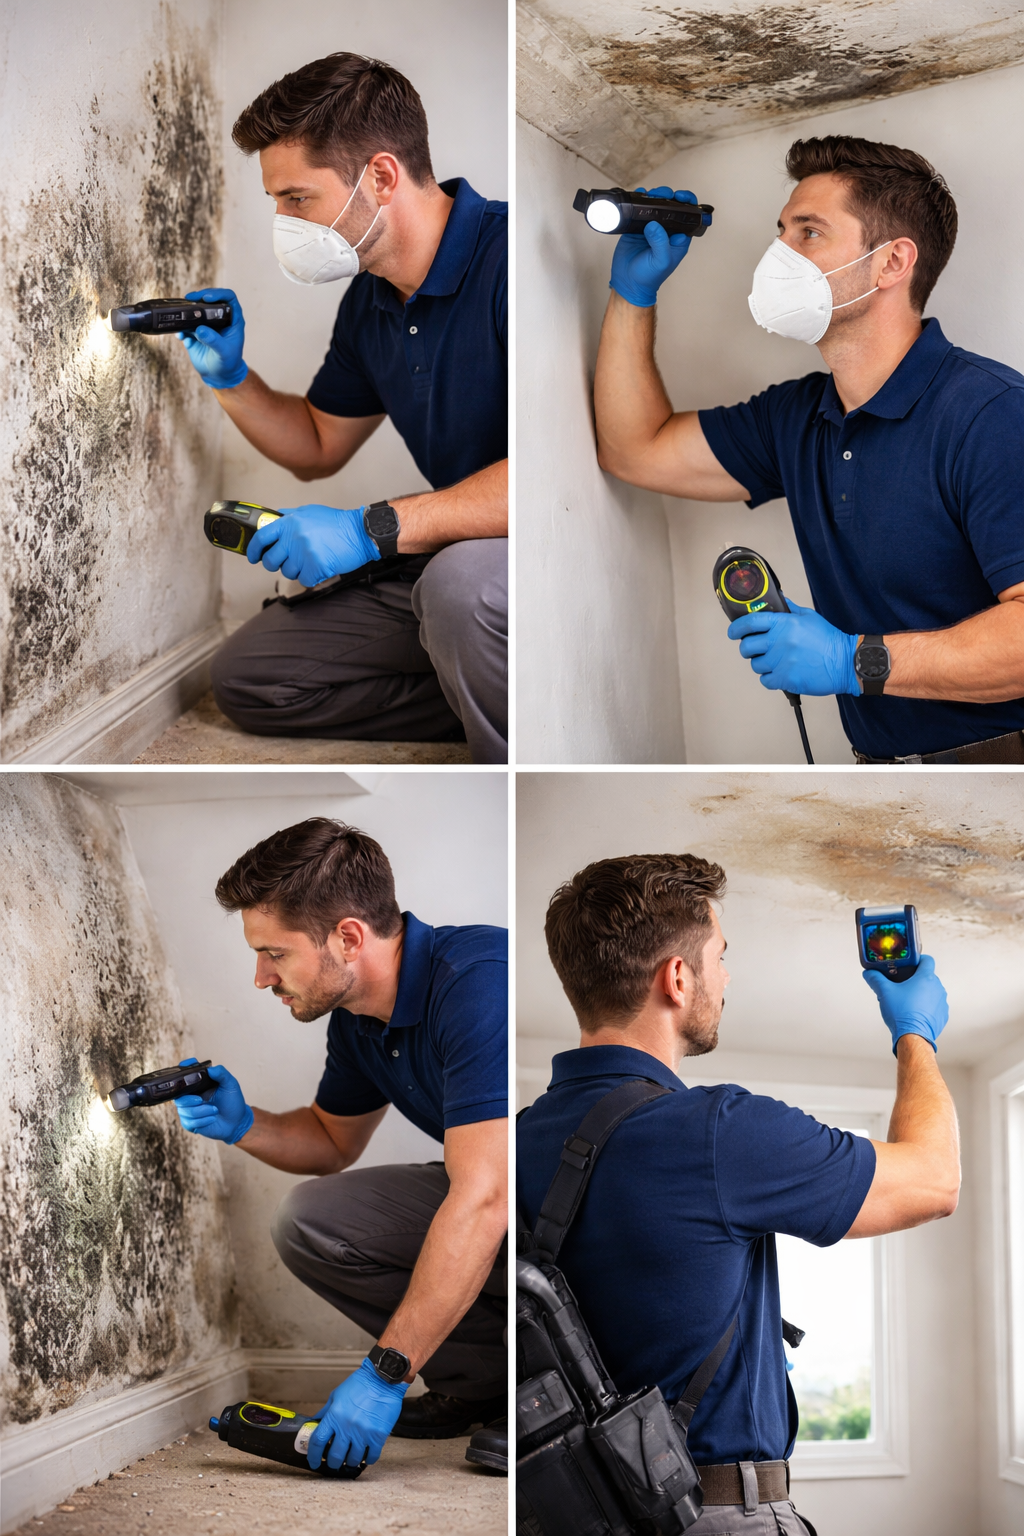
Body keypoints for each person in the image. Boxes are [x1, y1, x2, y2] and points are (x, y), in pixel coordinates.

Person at [517, 854, 959, 1532]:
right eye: (720, 956)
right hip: (717, 1514)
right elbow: (933, 1180)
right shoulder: (719, 1131)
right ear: (676, 976)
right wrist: (915, 1035)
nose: (726, 976)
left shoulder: (516, 1141)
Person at [593, 135, 1024, 765]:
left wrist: (852, 661)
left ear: (892, 263)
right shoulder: (796, 417)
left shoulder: (990, 414)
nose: (778, 253)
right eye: (781, 231)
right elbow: (636, 449)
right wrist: (633, 295)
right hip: (881, 773)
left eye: (809, 232)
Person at [180, 54, 507, 763]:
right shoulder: (369, 301)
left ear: (382, 177)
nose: (283, 222)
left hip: (520, 565)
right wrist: (231, 376)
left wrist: (369, 530)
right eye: (276, 201)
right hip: (441, 559)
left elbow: (558, 479)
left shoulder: (512, 262)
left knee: (461, 586)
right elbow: (319, 445)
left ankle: (507, 744)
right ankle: (495, 694)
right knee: (253, 680)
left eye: (296, 198)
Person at [175, 818, 508, 1472]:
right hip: (501, 1196)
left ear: (348, 937)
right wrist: (245, 1124)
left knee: (474, 1197)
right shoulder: (359, 1022)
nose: (261, 978)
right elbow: (331, 1141)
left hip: (575, 1211)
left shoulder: (477, 983)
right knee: (311, 1220)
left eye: (274, 953)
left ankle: (552, 1392)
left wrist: (384, 1375)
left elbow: (488, 1196)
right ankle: (488, 1386)